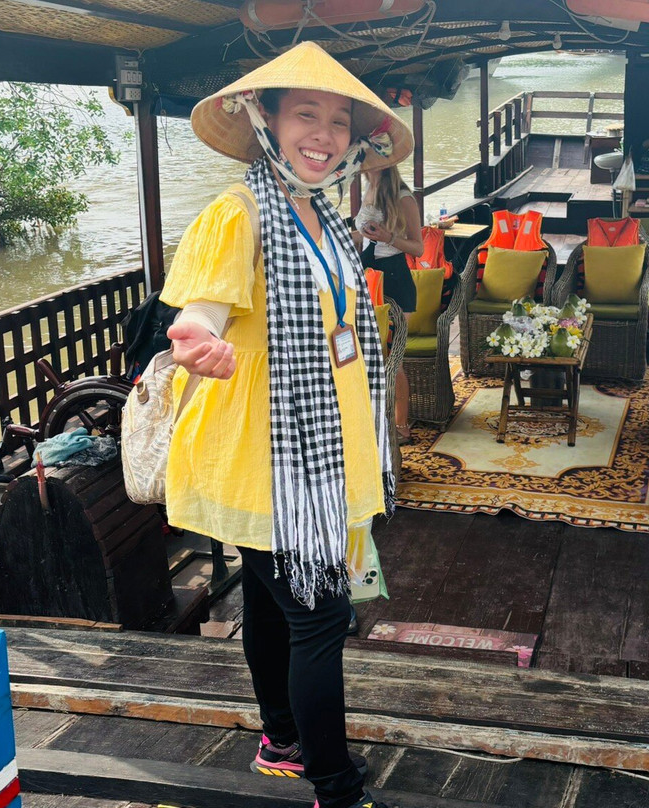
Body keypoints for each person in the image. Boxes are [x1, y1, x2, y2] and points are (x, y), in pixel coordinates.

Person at [160, 41, 413, 808]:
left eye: (340, 121)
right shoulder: (237, 214)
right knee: (321, 616)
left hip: (316, 449)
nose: (326, 134)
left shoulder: (327, 219)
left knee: (275, 603)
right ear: (263, 118)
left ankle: (280, 740)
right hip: (262, 456)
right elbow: (198, 313)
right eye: (307, 113)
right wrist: (195, 340)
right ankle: (335, 787)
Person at [355, 166, 423, 443]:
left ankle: (401, 425)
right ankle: (369, 419)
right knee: (366, 354)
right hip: (368, 276)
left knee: (392, 357)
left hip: (394, 278)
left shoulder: (403, 197)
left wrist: (389, 238)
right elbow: (361, 237)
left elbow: (418, 248)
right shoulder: (367, 189)